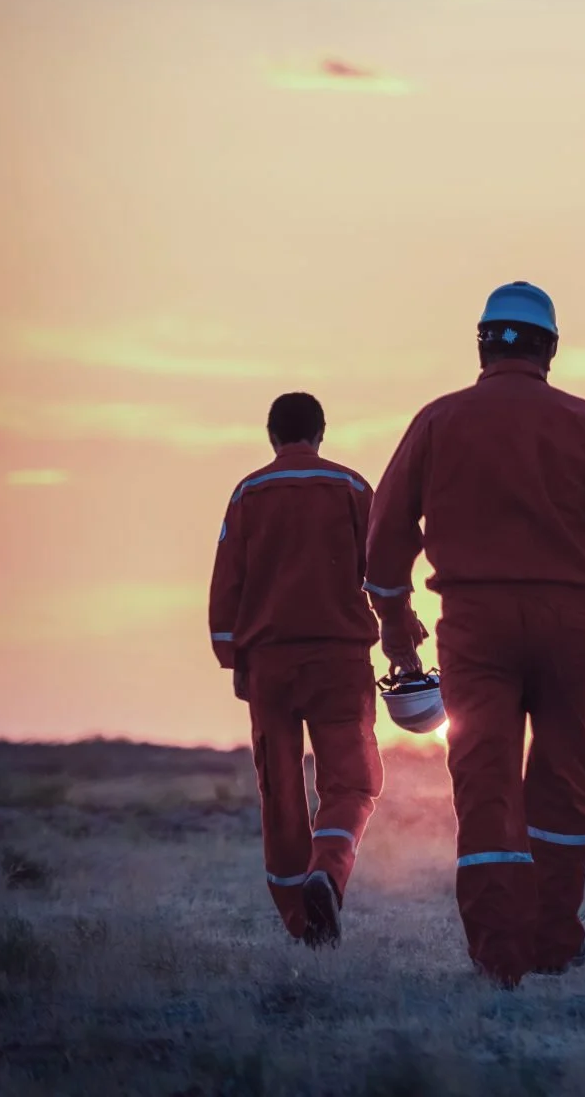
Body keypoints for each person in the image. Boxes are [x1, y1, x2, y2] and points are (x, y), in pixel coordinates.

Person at [365, 281, 585, 986]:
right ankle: (554, 942)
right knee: (562, 778)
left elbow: (382, 549)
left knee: (486, 784)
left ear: (481, 343)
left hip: (475, 627)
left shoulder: (438, 422)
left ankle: (499, 954)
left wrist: (397, 632)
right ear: (550, 348)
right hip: (569, 627)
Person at [208, 392, 387, 949]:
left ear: (270, 434)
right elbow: (383, 573)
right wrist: (400, 638)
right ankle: (326, 875)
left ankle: (302, 923)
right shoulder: (354, 489)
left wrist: (231, 655)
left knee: (280, 791)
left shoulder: (247, 493)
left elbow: (226, 581)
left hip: (269, 665)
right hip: (339, 660)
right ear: (321, 432)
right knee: (353, 782)